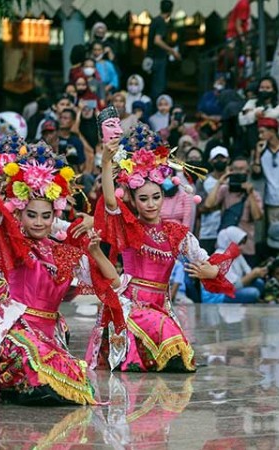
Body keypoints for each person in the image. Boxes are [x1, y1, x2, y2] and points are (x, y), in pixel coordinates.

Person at [0, 134, 124, 406]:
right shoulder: (15, 244)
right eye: (31, 215)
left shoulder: (63, 251)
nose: (38, 222)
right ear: (20, 215)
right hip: (16, 329)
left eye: (45, 216)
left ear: (54, 216)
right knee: (31, 361)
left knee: (73, 378)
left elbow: (114, 281)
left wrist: (94, 251)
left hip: (50, 334)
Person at [89, 121, 238, 373]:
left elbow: (204, 258)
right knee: (165, 337)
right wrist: (106, 163)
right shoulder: (129, 226)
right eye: (143, 199)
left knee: (178, 350)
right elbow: (112, 203)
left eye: (156, 197)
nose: (150, 204)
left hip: (161, 304)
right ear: (134, 201)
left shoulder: (175, 232)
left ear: (163, 197)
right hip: (131, 304)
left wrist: (210, 272)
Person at [148, 0, 181, 99]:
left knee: (153, 85)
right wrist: (172, 51)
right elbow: (157, 40)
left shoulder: (154, 20)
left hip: (151, 57)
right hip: (159, 58)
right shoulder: (161, 23)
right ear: (171, 10)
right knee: (159, 87)